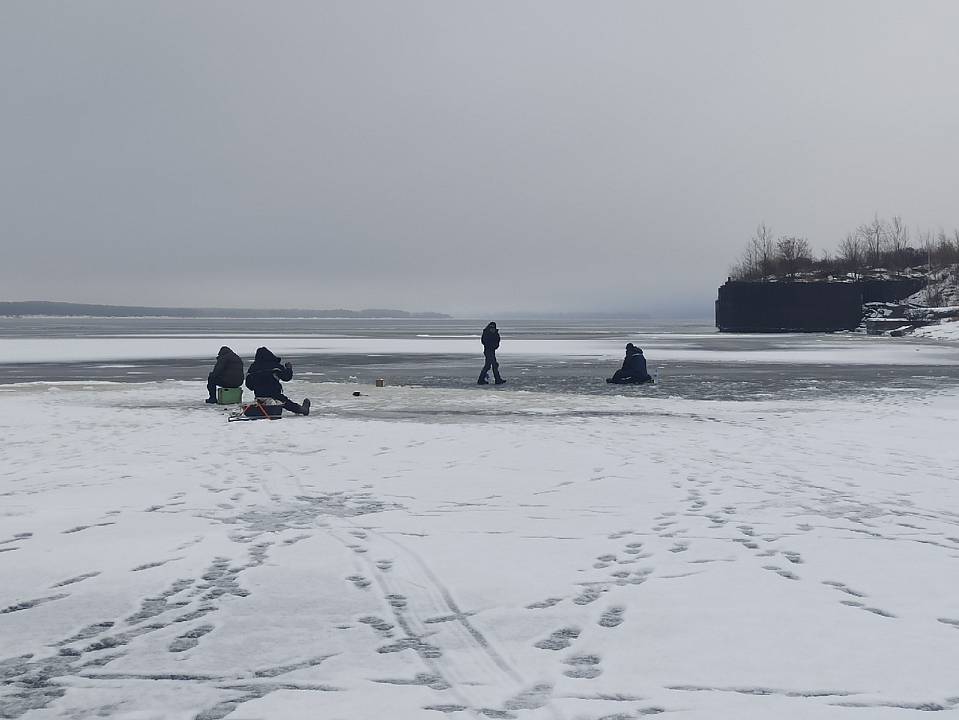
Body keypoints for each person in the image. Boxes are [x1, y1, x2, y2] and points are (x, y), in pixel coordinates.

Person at [245, 347, 311, 415]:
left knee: (261, 404)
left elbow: (249, 385)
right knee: (286, 402)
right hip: (274, 394)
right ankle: (302, 410)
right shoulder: (275, 366)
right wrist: (289, 368)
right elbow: (286, 377)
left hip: (259, 395)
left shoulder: (253, 368)